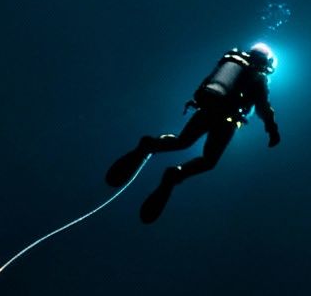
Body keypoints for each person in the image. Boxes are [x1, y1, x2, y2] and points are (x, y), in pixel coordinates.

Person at [108, 42, 282, 223]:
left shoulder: (231, 62)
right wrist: (272, 130)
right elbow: (264, 108)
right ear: (265, 62)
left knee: (181, 142)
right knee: (208, 161)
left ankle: (149, 145)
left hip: (207, 109)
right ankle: (175, 174)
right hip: (226, 121)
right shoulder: (257, 77)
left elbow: (209, 83)